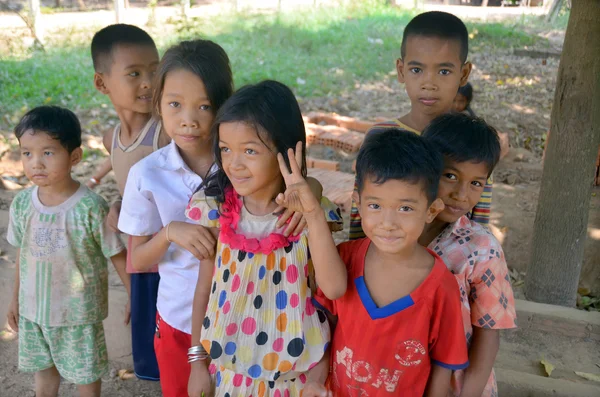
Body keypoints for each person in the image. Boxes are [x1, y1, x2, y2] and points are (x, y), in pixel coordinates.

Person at [185, 80, 344, 397]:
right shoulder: (217, 209)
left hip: (295, 381)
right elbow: (205, 287)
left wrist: (312, 214)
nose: (234, 163)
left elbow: (334, 289)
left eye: (250, 150)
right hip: (230, 377)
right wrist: (196, 362)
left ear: (286, 151)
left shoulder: (310, 217)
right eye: (226, 149)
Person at [311, 128, 469, 396]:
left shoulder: (440, 288)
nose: (388, 223)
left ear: (431, 210)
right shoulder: (344, 260)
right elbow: (324, 332)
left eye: (405, 208)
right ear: (358, 204)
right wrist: (314, 381)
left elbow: (443, 366)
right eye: (375, 206)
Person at [5, 106, 130, 397]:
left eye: (48, 153)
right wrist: (15, 300)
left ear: (75, 156)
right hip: (34, 311)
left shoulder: (90, 207)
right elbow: (23, 256)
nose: (36, 163)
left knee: (85, 377)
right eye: (26, 153)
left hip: (78, 316)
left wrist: (134, 296)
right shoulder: (22, 205)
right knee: (44, 376)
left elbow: (116, 253)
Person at [349, 11, 493, 240]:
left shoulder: (472, 146)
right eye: (417, 70)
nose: (429, 83)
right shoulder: (380, 136)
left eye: (444, 71)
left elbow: (479, 227)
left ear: (464, 74)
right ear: (401, 70)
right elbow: (362, 213)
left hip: (450, 269)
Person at [90, 23, 170, 381]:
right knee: (147, 335)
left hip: (173, 250)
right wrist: (118, 205)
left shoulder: (166, 132)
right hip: (140, 250)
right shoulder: (113, 138)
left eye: (155, 70)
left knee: (173, 329)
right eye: (134, 73)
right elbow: (132, 186)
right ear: (102, 83)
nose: (148, 82)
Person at [420, 113, 517, 397]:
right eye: (450, 176)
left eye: (476, 183)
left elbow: (488, 333)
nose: (462, 194)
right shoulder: (395, 232)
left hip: (456, 386)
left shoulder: (482, 249)